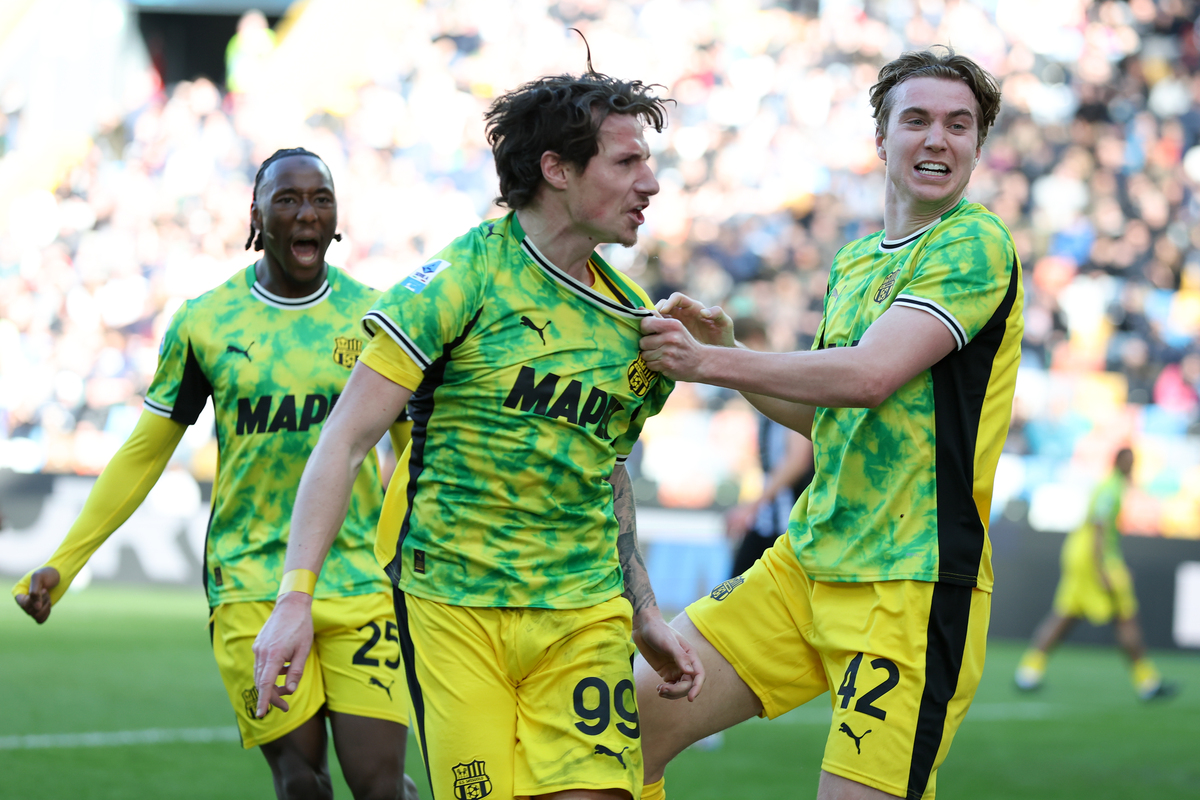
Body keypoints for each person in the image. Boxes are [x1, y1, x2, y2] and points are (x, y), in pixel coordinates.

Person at [252, 70, 703, 800]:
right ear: (556, 169)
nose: (650, 182)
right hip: (451, 610)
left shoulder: (636, 323)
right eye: (627, 162)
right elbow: (344, 440)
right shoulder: (459, 281)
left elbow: (605, 470)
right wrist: (294, 598)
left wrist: (644, 610)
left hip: (582, 616)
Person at [634, 47, 1023, 800]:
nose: (936, 139)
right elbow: (825, 418)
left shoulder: (975, 243)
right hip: (805, 564)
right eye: (916, 120)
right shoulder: (852, 262)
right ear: (881, 141)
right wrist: (732, 352)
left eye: (958, 125)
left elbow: (869, 376)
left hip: (908, 585)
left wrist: (707, 366)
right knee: (619, 729)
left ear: (978, 146)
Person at [13, 148, 417, 800]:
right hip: (249, 580)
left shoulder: (378, 317)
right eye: (287, 200)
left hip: (359, 580)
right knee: (302, 784)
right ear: (255, 218)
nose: (306, 213)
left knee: (380, 787)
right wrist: (65, 563)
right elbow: (144, 453)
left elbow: (413, 447)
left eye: (321, 199)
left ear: (337, 218)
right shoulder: (205, 323)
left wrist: (398, 550)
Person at [1015, 447, 1176, 700]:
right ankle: (1148, 682)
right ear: (1119, 463)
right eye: (1129, 462)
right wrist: (1102, 568)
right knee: (1124, 616)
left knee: (1066, 614)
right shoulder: (1111, 489)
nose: (1132, 467)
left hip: (1082, 554)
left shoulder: (1110, 487)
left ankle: (1028, 671)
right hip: (1093, 559)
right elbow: (1099, 526)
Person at [723, 317, 814, 579]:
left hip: (786, 519)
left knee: (732, 599)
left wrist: (751, 508)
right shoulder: (770, 386)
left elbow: (797, 460)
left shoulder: (784, 383)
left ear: (755, 342)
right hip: (774, 516)